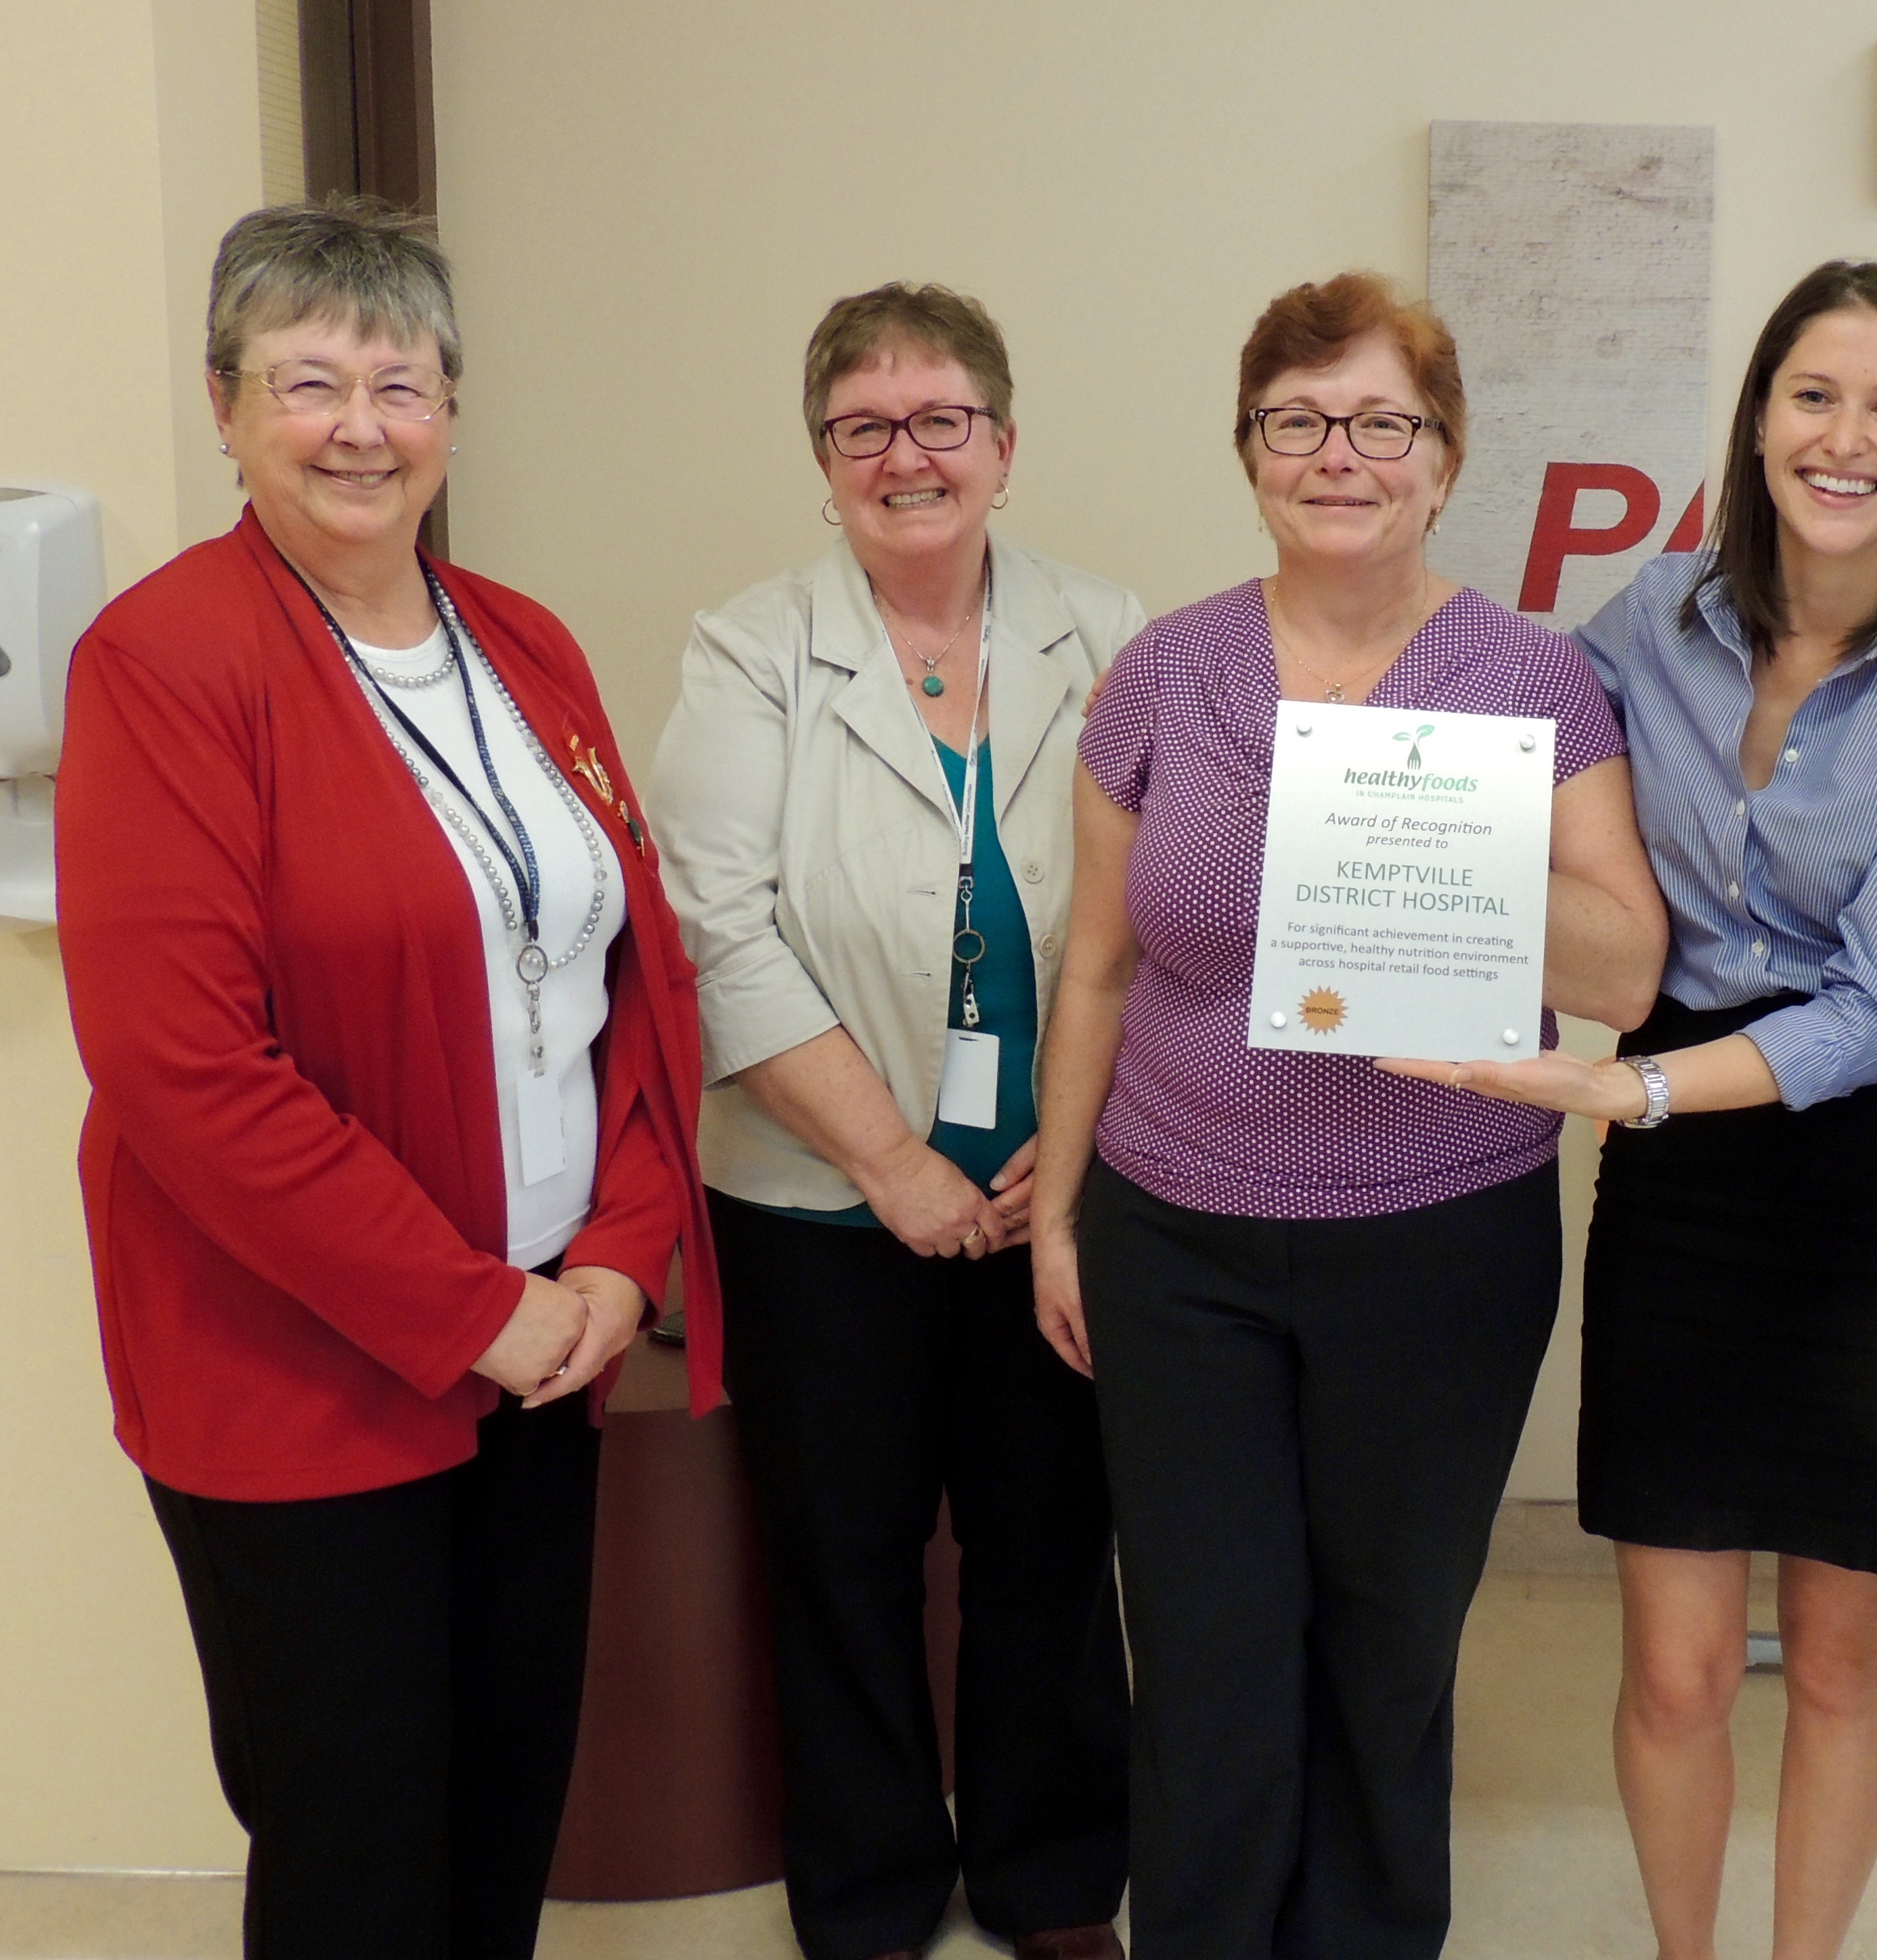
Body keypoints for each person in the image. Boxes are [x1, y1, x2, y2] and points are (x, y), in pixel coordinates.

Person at [52, 196, 717, 1960]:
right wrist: (465, 1311)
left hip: (545, 1352)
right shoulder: (162, 664)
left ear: (450, 410)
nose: (360, 423)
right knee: (356, 1847)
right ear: (224, 406)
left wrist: (612, 1259)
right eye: (307, 380)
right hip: (302, 1378)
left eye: (399, 381)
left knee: (502, 1801)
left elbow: (621, 987)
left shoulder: (528, 644)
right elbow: (182, 1067)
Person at [1392, 263, 1877, 1960]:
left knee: (1842, 1658)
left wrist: (1625, 1083)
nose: (1842, 437)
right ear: (1758, 420)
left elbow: (1869, 1001)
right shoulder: (1646, 623)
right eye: (1810, 395)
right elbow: (1506, 805)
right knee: (1676, 1665)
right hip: (1686, 1191)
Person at [1026, 271, 1665, 1959]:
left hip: (1435, 1244)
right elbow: (1091, 969)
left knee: (1386, 1653)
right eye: (1296, 421)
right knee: (1209, 1647)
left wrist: (1435, 851)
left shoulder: (1529, 680)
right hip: (1175, 1238)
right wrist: (1057, 1216)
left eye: (1381, 422)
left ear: (1443, 460)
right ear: (1248, 451)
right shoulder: (1164, 670)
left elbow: (1624, 965)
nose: (1338, 455)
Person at [648, 283, 1136, 1960]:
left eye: (940, 421)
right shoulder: (747, 646)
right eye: (864, 427)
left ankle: (1052, 1874)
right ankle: (861, 1892)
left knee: (1050, 1549)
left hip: (1051, 1185)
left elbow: (1152, 918)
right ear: (823, 459)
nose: (905, 455)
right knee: (841, 1563)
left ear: (1003, 444)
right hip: (813, 1204)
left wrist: (1049, 1155)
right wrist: (893, 1160)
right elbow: (717, 922)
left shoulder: (1113, 632)